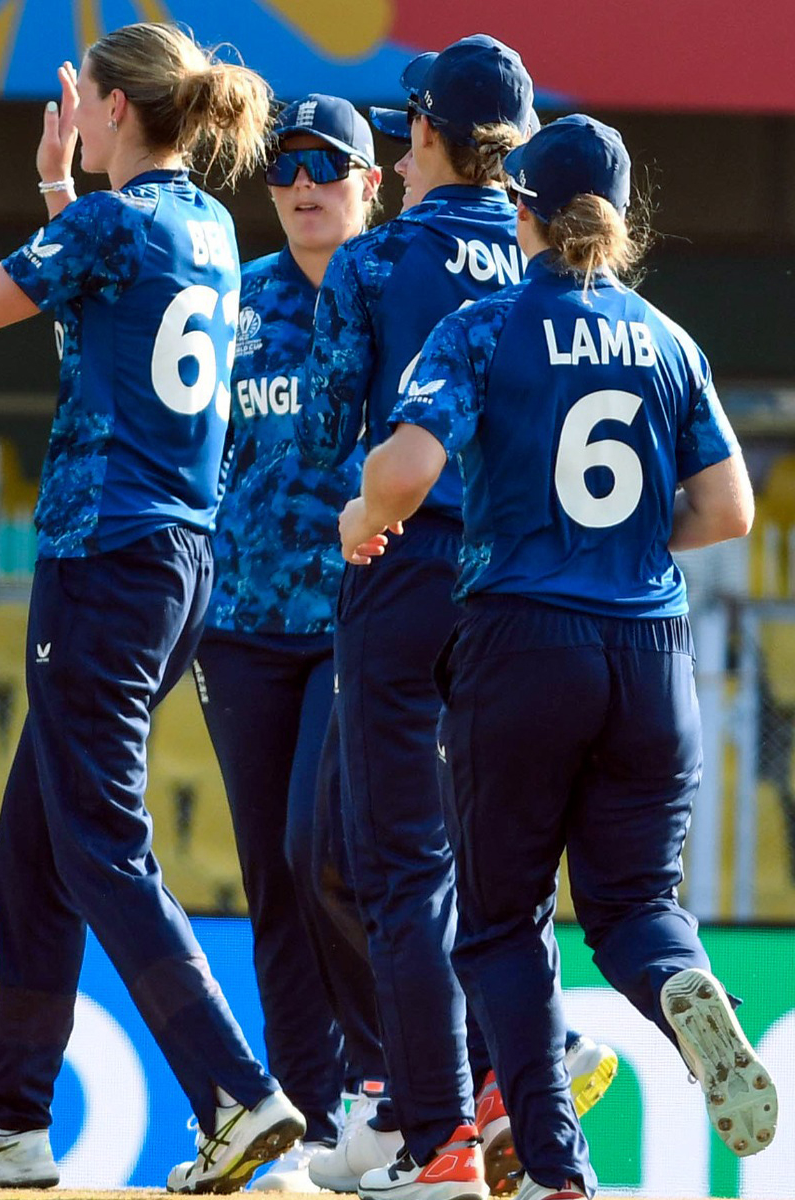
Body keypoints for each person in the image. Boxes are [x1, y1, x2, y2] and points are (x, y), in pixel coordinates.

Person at [0, 24, 304, 1194]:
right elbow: (104, 321)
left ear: (111, 107)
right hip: (177, 560)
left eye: (87, 103)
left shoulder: (114, 224)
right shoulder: (202, 224)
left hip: (105, 560)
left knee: (99, 842)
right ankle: (11, 1121)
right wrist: (59, 189)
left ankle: (236, 1094)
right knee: (33, 852)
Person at [339, 113, 774, 1200]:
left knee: (500, 925)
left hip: (522, 643)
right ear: (619, 221)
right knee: (635, 909)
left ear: (520, 210)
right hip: (651, 653)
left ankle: (555, 1170)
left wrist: (362, 515)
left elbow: (407, 469)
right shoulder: (669, 339)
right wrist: (625, 546)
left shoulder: (485, 327)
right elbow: (730, 509)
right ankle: (679, 987)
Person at [295, 35, 543, 1200]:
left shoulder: (376, 259)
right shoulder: (557, 265)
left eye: (406, 134)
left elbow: (320, 436)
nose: (396, 154)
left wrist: (360, 504)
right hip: (529, 589)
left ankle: (434, 1135)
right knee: (502, 871)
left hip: (404, 567)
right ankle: (519, 1099)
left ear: (432, 134)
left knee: (399, 868)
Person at [193, 93, 386, 1194]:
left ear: (371, 182)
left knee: (331, 856)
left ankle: (386, 1089)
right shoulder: (237, 298)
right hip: (239, 628)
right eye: (284, 167)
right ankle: (308, 1124)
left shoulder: (400, 294)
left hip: (361, 623)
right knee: (274, 875)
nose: (303, 184)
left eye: (327, 164)